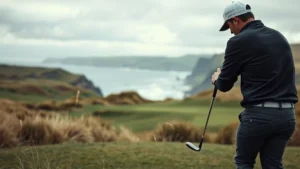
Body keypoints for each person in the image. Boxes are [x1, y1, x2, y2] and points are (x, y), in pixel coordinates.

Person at [211, 1, 298, 169]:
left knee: (244, 163)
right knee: (273, 164)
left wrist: (217, 78)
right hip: (287, 117)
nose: (230, 31)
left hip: (258, 116)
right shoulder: (279, 36)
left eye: (229, 25)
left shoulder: (238, 41)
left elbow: (225, 84)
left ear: (235, 20)